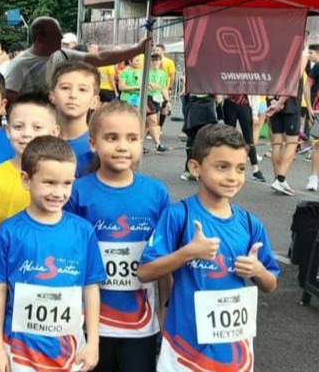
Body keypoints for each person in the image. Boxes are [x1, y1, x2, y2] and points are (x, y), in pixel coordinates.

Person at [139, 124, 280, 371]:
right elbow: (145, 272)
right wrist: (189, 252)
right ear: (195, 168)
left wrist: (258, 271)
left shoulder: (250, 224)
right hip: (184, 347)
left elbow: (270, 284)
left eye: (240, 168)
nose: (232, 177)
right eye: (222, 167)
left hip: (234, 349)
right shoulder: (178, 216)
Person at [66, 101, 171, 372]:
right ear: (93, 143)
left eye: (132, 138)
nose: (122, 146)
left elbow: (163, 262)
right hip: (90, 324)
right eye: (112, 138)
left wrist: (164, 312)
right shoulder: (77, 192)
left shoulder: (156, 193)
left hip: (140, 326)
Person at [0, 136, 105, 372]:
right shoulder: (9, 231)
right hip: (19, 352)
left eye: (66, 183)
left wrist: (93, 342)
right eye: (49, 183)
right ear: (26, 180)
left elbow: (91, 287)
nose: (59, 192)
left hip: (69, 352)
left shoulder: (83, 231)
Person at [0, 93, 59, 240]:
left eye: (37, 127)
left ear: (54, 132)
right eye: (18, 126)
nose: (26, 134)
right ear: (7, 131)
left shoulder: (63, 179)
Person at [2, 16, 150, 99]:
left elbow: (100, 58)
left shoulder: (63, 55)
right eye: (56, 34)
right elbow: (8, 99)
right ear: (40, 39)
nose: (61, 36)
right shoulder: (19, 65)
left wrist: (136, 49)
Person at [49, 61, 101, 176]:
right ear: (52, 96)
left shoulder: (99, 148)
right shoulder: (37, 139)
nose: (73, 95)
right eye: (65, 88)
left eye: (82, 90)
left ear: (94, 101)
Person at [265, 83, 302, 195]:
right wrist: (280, 102)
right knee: (292, 143)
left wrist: (272, 100)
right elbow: (292, 82)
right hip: (289, 102)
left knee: (277, 143)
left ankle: (278, 179)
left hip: (274, 100)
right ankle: (280, 179)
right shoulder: (295, 64)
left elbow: (267, 79)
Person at [222, 94, 266, 183]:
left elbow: (254, 92)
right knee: (229, 137)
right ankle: (227, 167)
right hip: (229, 102)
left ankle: (255, 169)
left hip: (244, 104)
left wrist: (254, 113)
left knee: (249, 138)